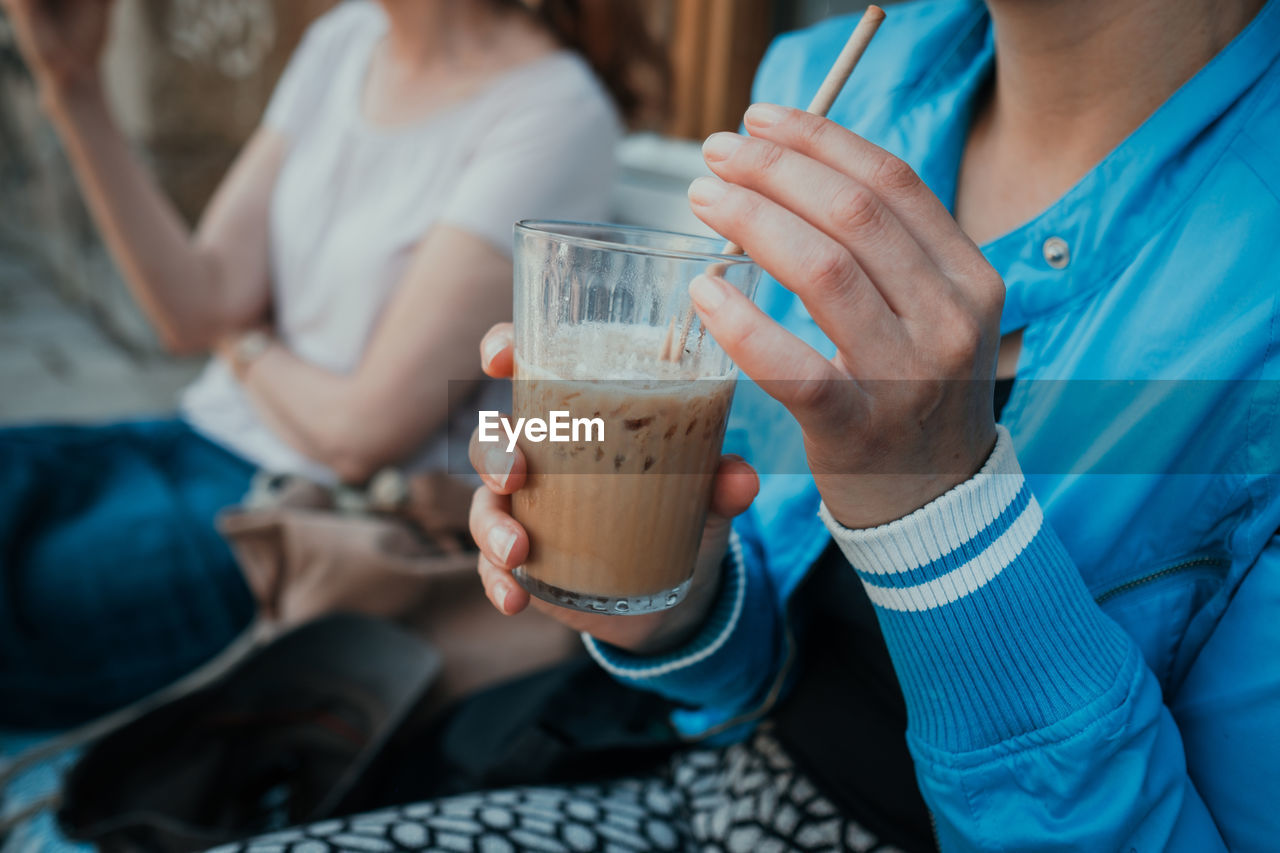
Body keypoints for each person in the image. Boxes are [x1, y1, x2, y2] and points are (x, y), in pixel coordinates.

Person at [236, 0, 1278, 850]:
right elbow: (759, 670)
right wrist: (674, 595)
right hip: (703, 790)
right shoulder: (832, 81)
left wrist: (940, 520)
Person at [0, 0, 662, 729]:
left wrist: (246, 338)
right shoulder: (344, 41)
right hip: (191, 436)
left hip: (295, 518)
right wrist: (73, 86)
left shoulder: (553, 111)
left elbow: (358, 436)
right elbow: (194, 307)